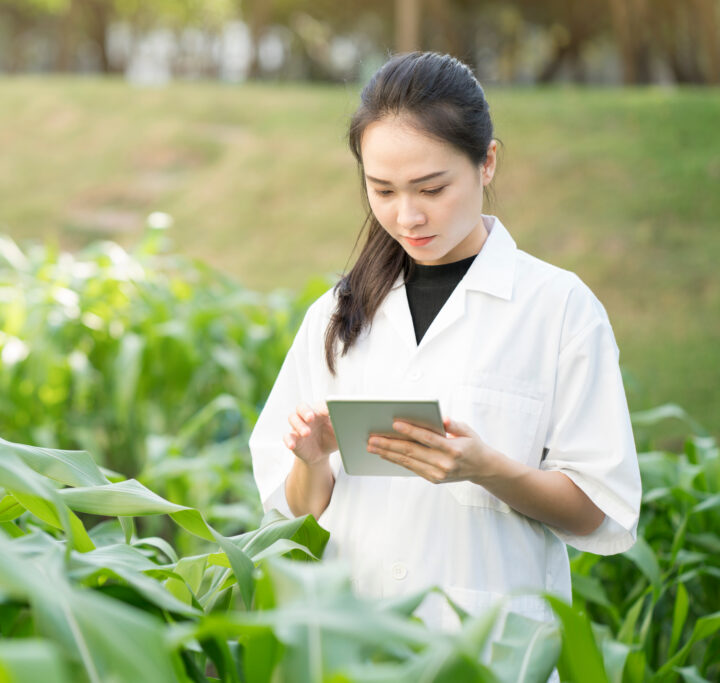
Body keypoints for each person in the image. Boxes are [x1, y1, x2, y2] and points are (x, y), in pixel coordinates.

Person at [248, 51, 642, 630]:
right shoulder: (338, 313)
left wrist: (488, 469)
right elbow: (301, 510)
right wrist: (312, 460)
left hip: (490, 651)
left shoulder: (559, 309)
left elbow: (599, 511)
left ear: (487, 163)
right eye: (382, 190)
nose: (407, 216)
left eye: (431, 188)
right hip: (354, 644)